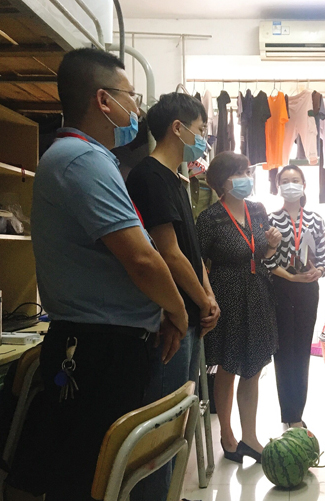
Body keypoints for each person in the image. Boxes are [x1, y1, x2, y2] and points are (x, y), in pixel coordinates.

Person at [31, 48, 188, 501]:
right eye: (131, 96)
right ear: (104, 100)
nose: (136, 108)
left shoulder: (89, 158)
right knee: (91, 479)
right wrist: (177, 310)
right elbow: (142, 259)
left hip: (107, 343)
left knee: (106, 477)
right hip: (96, 351)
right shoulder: (82, 160)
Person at [127, 92, 221, 501]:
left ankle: (166, 493)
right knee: (162, 424)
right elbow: (168, 252)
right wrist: (199, 301)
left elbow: (191, 249)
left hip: (191, 313)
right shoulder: (149, 177)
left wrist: (209, 296)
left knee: (177, 420)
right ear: (177, 128)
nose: (204, 139)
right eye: (200, 130)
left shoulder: (178, 180)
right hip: (170, 318)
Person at [196, 151, 282, 463]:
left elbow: (262, 254)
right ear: (223, 182)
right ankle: (227, 434)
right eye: (240, 173)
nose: (247, 178)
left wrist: (272, 246)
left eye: (247, 172)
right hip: (227, 296)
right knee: (229, 367)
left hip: (258, 294)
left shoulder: (257, 210)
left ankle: (250, 437)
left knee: (254, 367)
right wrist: (207, 296)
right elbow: (197, 260)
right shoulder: (209, 218)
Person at [265, 165, 325, 429]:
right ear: (278, 186)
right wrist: (290, 277)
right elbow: (265, 260)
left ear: (304, 185)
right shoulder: (269, 220)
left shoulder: (315, 219)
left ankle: (297, 415)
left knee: (302, 351)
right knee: (283, 352)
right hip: (280, 288)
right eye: (285, 180)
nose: (290, 184)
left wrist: (319, 271)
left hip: (308, 290)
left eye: (295, 180)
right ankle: (288, 414)